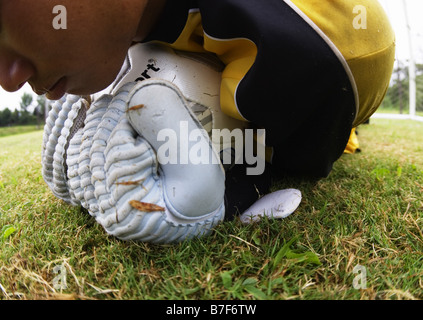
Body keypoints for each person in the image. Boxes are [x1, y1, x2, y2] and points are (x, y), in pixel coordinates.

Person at [0, 0, 395, 242]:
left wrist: (225, 195)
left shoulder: (290, 41)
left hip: (349, 58)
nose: (9, 80)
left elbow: (295, 156)